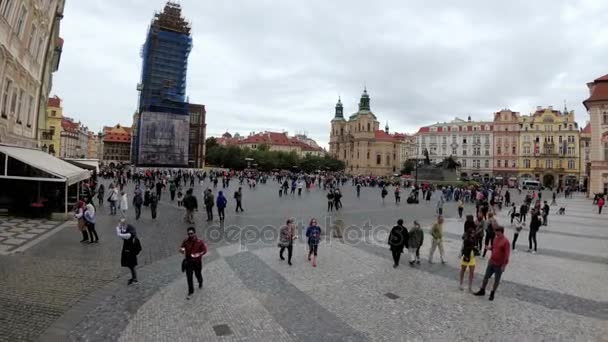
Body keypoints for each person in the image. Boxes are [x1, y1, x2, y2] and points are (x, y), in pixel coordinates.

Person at [474, 226, 510, 301]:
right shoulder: (495, 239)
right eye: (495, 231)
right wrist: (489, 248)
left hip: (499, 265)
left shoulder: (506, 242)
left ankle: (492, 293)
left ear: (501, 231)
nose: (496, 233)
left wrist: (504, 265)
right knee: (486, 277)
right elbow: (494, 247)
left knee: (496, 280)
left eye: (497, 231)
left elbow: (507, 255)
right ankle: (482, 290)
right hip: (491, 262)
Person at [180, 227, 208, 299]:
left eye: (191, 233)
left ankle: (200, 281)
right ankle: (191, 291)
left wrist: (198, 254)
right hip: (189, 262)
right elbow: (182, 248)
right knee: (189, 277)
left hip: (197, 262)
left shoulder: (199, 242)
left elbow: (204, 250)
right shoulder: (185, 241)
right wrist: (182, 250)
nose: (190, 235)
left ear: (194, 233)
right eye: (189, 234)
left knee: (197, 274)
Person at [116, 219, 140, 285]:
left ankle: (135, 279)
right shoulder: (128, 228)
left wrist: (118, 228)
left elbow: (120, 235)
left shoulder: (129, 234)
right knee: (130, 265)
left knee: (131, 264)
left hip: (130, 250)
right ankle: (134, 277)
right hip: (128, 249)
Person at [459, 226, 477, 292]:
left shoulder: (474, 238)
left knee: (472, 272)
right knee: (463, 270)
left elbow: (474, 246)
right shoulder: (466, 240)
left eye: (474, 233)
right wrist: (462, 254)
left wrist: (476, 249)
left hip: (472, 257)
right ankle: (461, 284)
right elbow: (463, 248)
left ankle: (470, 286)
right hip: (467, 256)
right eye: (472, 233)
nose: (473, 234)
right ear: (469, 233)